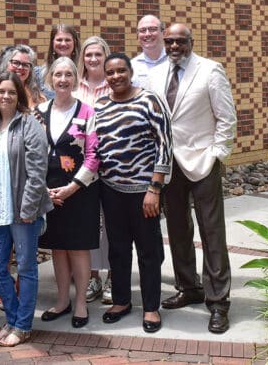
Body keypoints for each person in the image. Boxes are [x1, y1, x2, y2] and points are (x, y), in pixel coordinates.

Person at [159, 23, 237, 334]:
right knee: (177, 227)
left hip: (203, 161)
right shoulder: (159, 72)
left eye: (180, 41)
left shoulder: (210, 70)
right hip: (169, 163)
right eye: (169, 41)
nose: (174, 46)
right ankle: (188, 286)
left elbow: (226, 116)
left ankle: (218, 302)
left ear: (191, 42)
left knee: (211, 231)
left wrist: (218, 153)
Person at [94, 53, 171, 334]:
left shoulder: (149, 101)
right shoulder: (100, 106)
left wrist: (155, 188)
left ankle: (151, 307)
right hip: (111, 190)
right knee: (118, 248)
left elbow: (165, 145)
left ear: (130, 71)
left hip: (144, 192)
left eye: (121, 71)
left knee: (149, 251)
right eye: (110, 72)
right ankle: (122, 301)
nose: (116, 76)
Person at [0, 72, 52, 347]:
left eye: (11, 91)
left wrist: (29, 208)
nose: (5, 96)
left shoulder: (30, 125)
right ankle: (13, 317)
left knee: (27, 268)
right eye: (0, 91)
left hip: (22, 211)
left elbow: (37, 172)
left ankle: (23, 326)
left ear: (19, 95)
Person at [35, 57, 99, 328]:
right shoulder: (38, 112)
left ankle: (81, 302)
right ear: (50, 79)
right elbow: (31, 153)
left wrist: (72, 187)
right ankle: (62, 301)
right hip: (48, 193)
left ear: (75, 79)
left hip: (80, 192)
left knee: (78, 248)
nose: (63, 79)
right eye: (58, 74)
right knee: (58, 248)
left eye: (68, 75)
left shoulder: (88, 112)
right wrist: (43, 190)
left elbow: (94, 155)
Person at [73, 35, 112, 304]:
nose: (93, 59)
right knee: (88, 224)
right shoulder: (75, 87)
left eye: (98, 54)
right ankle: (93, 278)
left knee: (111, 224)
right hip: (82, 167)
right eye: (88, 55)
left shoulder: (116, 85)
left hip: (111, 164)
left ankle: (113, 278)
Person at [34, 24, 81, 100]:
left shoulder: (84, 72)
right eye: (59, 40)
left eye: (67, 40)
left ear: (74, 43)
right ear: (52, 43)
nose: (63, 43)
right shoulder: (39, 74)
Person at [0, 44, 47, 108]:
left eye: (25, 65)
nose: (20, 67)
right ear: (6, 64)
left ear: (30, 70)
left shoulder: (39, 98)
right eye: (15, 63)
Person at [131, 15, 170, 93]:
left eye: (152, 29)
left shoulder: (174, 61)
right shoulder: (132, 66)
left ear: (163, 33)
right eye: (143, 30)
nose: (147, 34)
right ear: (137, 36)